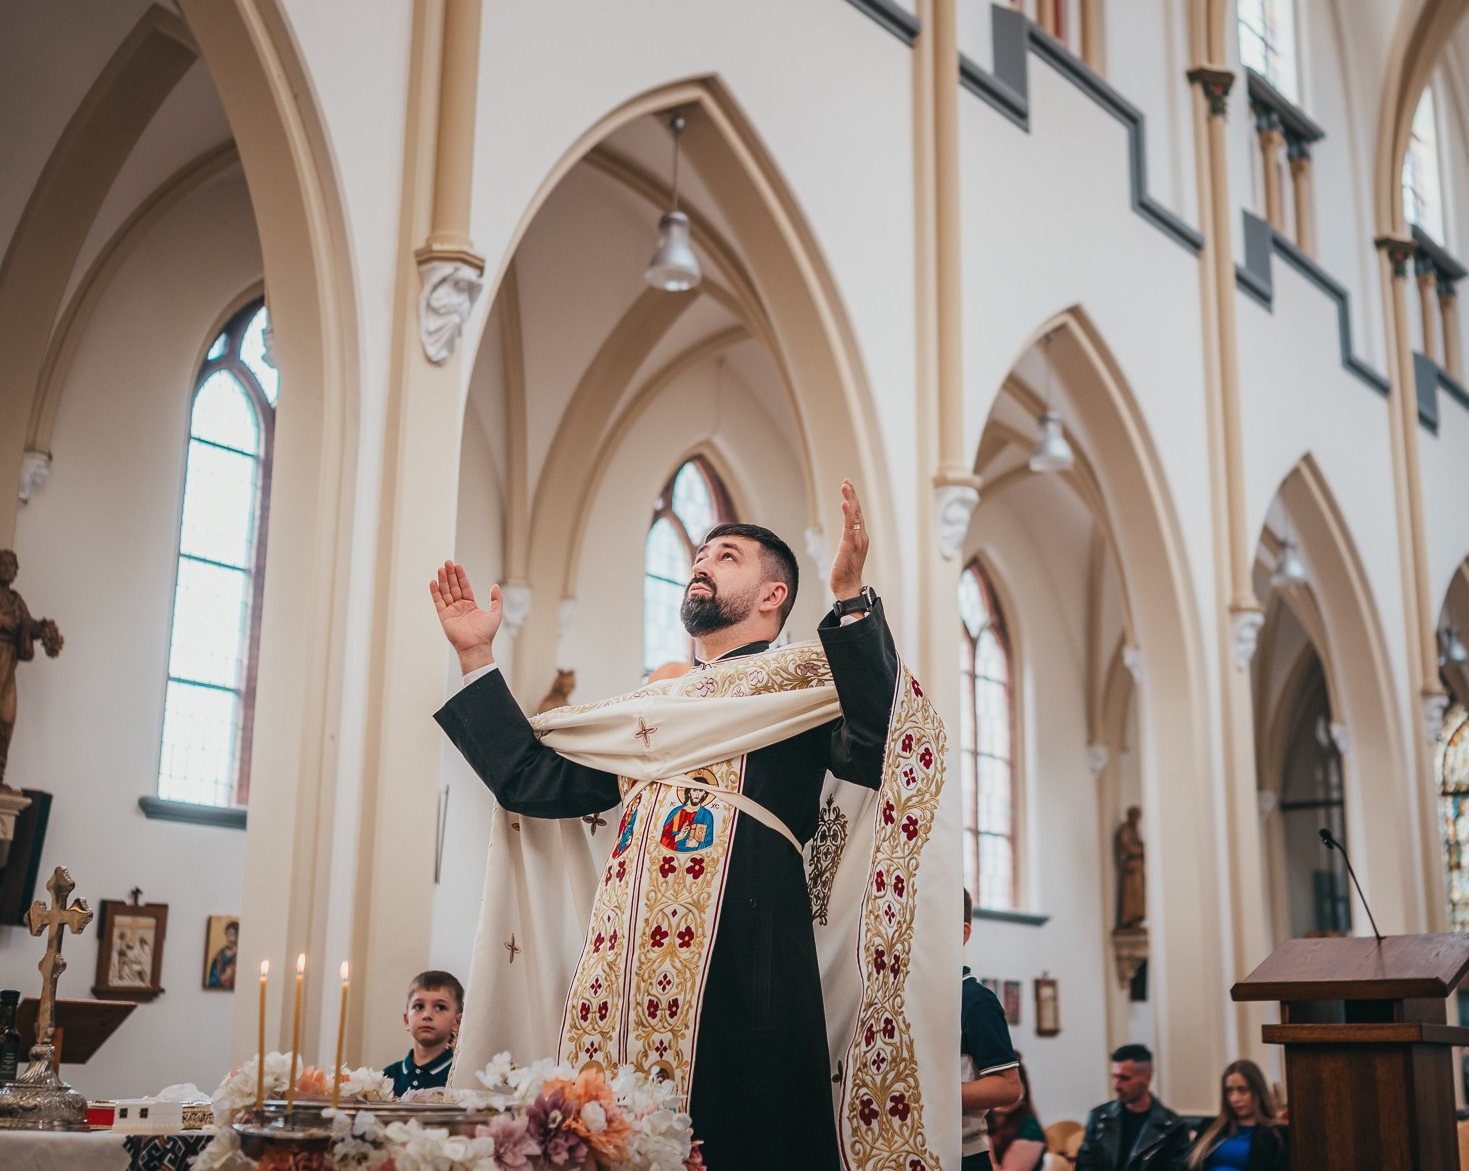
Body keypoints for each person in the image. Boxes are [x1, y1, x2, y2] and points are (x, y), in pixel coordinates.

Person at [430, 480, 910, 1171]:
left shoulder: (803, 682)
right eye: (700, 554)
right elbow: (535, 781)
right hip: (623, 978)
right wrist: (477, 657)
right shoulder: (655, 711)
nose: (702, 562)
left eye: (727, 555)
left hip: (748, 969)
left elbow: (878, 738)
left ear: (774, 595)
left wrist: (852, 599)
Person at [962, 890, 1025, 1171]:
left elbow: (1009, 1086)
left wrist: (934, 1092)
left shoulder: (974, 999)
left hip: (962, 1154)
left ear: (961, 933)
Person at [1075, 1044, 1193, 1171]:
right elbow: (1085, 1165)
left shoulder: (1174, 1128)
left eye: (1124, 1078)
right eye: (1114, 1077)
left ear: (1148, 1078)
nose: (1116, 1085)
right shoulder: (1099, 1118)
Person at [1187, 1059, 1289, 1171]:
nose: (1235, 1099)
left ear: (1257, 1092)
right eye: (1229, 1091)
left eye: (1242, 1090)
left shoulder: (1276, 1135)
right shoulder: (1209, 1127)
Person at [382, 971, 464, 1097]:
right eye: (419, 1006)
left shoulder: (459, 1076)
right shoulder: (387, 1077)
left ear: (457, 1022)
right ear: (407, 1020)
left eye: (440, 1007)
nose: (427, 1015)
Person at [987, 1048, 1049, 1171]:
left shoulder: (1030, 1130)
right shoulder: (981, 1121)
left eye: (1012, 1089)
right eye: (997, 1089)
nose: (1005, 1096)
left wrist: (985, 1148)